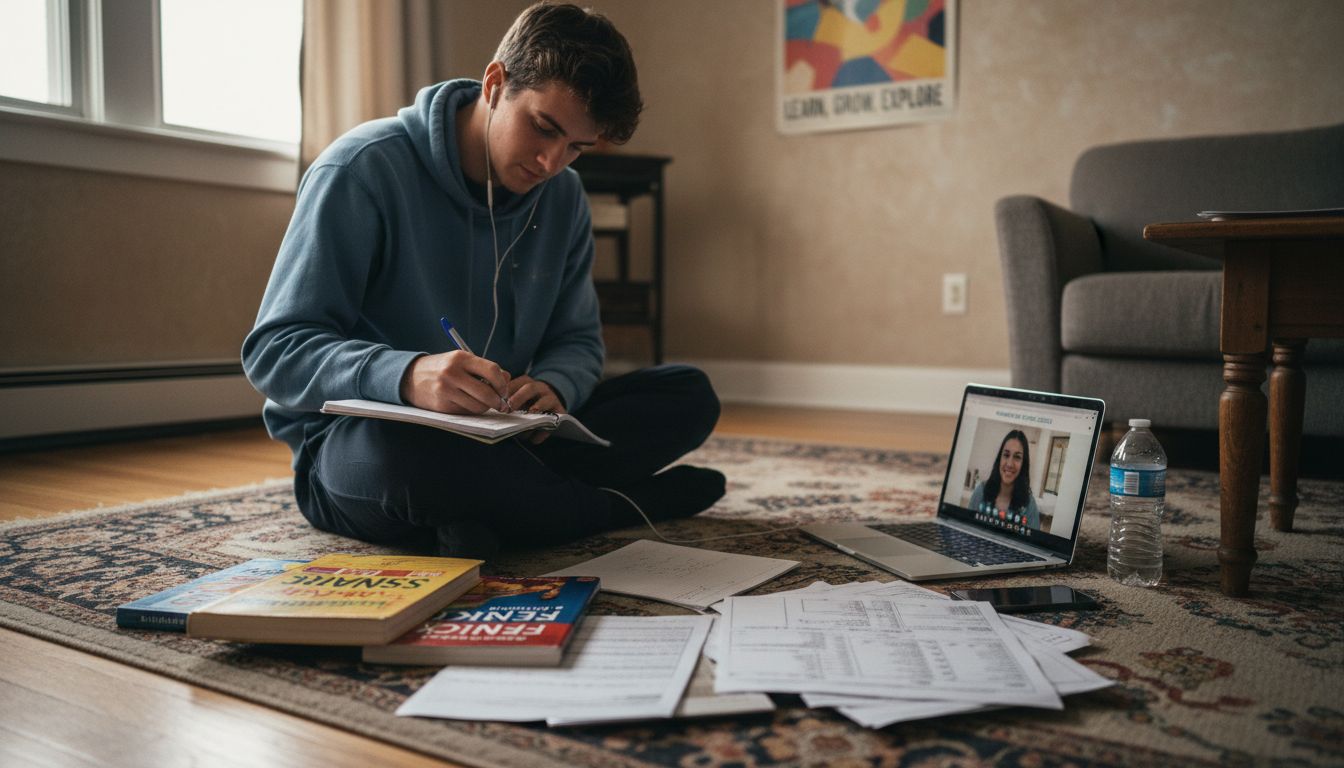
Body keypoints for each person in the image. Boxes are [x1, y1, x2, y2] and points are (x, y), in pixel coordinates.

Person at [242, 2, 724, 564]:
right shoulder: (360, 171)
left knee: (689, 394)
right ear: (495, 83)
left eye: (576, 147)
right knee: (410, 465)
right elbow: (275, 351)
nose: (550, 162)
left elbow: (580, 341)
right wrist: (407, 375)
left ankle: (496, 513)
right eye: (543, 127)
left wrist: (555, 387)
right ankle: (614, 508)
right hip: (366, 441)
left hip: (511, 438)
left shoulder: (564, 197)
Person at [967, 429, 1041, 530]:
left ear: (1024, 463)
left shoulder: (1029, 505)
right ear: (999, 459)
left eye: (1017, 457)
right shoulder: (981, 491)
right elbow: (967, 527)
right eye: (1006, 455)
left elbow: (1032, 544)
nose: (1010, 464)